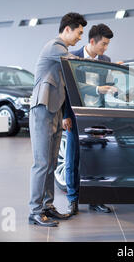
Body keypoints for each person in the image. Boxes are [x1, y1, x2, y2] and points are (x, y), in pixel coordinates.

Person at [28, 12, 87, 227]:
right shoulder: (55, 46)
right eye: (79, 32)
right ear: (68, 29)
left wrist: (64, 115)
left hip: (54, 112)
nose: (80, 37)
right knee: (42, 163)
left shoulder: (61, 51)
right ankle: (34, 212)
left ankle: (47, 206)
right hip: (42, 110)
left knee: (51, 163)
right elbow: (75, 64)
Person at [63, 24, 116, 215]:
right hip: (76, 116)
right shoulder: (72, 56)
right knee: (73, 159)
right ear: (92, 41)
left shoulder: (105, 60)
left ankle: (96, 200)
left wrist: (115, 79)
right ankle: (73, 200)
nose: (105, 48)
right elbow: (68, 88)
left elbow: (108, 86)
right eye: (103, 44)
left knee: (97, 159)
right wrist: (66, 116)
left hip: (97, 116)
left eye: (107, 45)